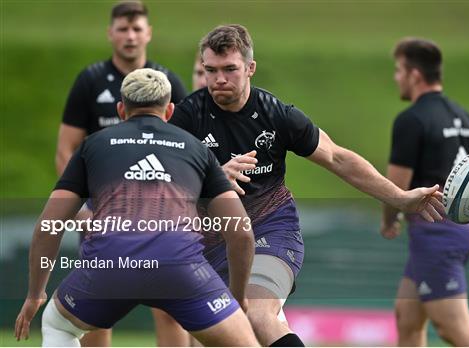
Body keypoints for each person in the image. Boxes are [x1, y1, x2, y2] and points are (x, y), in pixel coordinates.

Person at [170, 24, 445, 347]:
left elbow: (337, 158)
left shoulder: (277, 115)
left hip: (271, 230)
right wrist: (211, 179)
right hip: (213, 240)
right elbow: (162, 186)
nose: (218, 79)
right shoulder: (186, 118)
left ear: (250, 68)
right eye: (210, 70)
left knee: (258, 315)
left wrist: (400, 198)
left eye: (230, 69)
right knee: (216, 337)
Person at [14, 68, 259, 347]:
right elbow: (241, 233)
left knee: (57, 326)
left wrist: (36, 294)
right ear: (169, 111)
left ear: (121, 109)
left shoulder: (92, 146)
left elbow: (49, 226)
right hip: (181, 268)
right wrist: (237, 297)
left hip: (109, 265)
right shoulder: (197, 149)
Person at [54, 2, 188, 346]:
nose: (130, 36)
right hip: (105, 216)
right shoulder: (90, 81)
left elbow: (189, 149)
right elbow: (66, 151)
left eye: (137, 28)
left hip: (159, 218)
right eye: (124, 29)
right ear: (111, 33)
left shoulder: (168, 81)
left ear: (148, 33)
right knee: (95, 312)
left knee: (171, 308)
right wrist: (81, 210)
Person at [381, 37, 469, 347]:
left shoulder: (411, 120)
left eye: (399, 70)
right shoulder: (467, 119)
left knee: (453, 328)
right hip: (459, 233)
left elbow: (395, 188)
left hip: (436, 236)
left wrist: (389, 219)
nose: (396, 78)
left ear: (415, 75)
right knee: (407, 318)